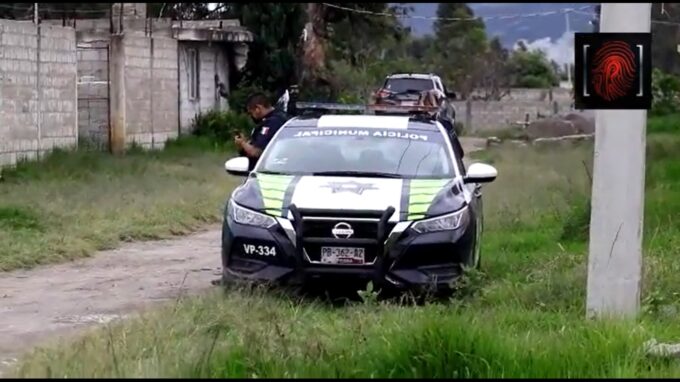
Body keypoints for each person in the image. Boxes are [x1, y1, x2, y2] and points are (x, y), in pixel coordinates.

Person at [234, 92, 290, 171]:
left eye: (251, 113)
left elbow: (257, 152)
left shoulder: (272, 122)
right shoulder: (279, 117)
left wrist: (242, 143)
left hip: (267, 171)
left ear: (258, 108)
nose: (251, 116)